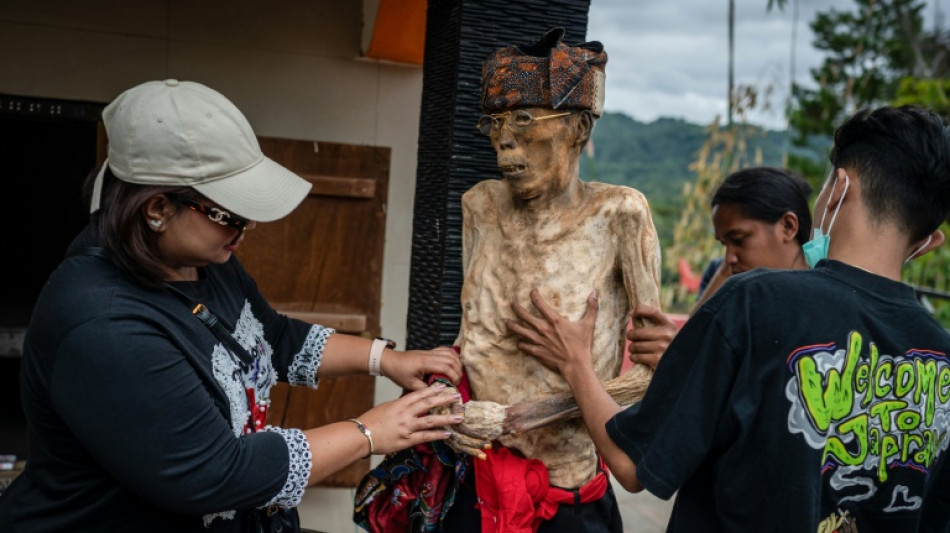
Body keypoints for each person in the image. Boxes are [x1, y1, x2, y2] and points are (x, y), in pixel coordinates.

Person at [0, 79, 465, 532]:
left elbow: (273, 336)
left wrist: (385, 359)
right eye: (230, 214)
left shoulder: (202, 259)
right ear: (157, 208)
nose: (245, 229)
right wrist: (368, 433)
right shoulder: (104, 325)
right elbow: (217, 474)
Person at [508, 105, 950, 532]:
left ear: (837, 189)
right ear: (929, 240)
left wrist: (575, 363)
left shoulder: (755, 302)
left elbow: (631, 463)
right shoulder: (941, 352)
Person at [353, 28, 661, 533]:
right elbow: (472, 338)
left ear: (578, 127)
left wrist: (520, 416)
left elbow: (648, 378)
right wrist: (451, 410)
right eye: (495, 123)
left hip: (565, 493)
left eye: (522, 120)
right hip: (474, 480)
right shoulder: (481, 205)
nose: (504, 140)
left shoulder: (620, 214)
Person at [629, 166, 813, 367]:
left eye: (739, 240)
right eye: (724, 244)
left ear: (788, 226)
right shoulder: (734, 290)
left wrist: (683, 357)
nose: (729, 258)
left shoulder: (823, 304)